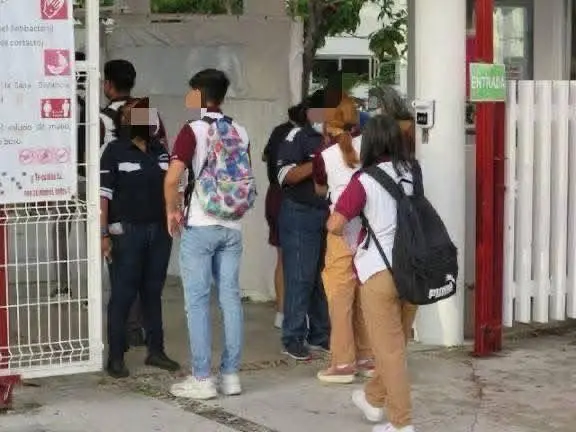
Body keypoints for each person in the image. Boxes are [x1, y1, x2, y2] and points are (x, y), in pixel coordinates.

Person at [164, 69, 253, 400]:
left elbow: (172, 179)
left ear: (199, 95)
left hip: (200, 224)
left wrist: (172, 211)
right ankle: (230, 376)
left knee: (197, 302)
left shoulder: (193, 130)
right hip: (232, 225)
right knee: (230, 299)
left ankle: (202, 378)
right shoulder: (240, 131)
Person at [327, 115, 418, 432]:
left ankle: (402, 424)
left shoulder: (363, 181)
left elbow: (335, 224)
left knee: (389, 351)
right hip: (414, 271)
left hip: (379, 272)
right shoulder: (412, 173)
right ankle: (372, 398)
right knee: (395, 345)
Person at [100, 97, 180, 379]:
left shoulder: (160, 152)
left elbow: (173, 187)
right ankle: (115, 357)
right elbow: (103, 197)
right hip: (127, 232)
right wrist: (103, 234)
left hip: (158, 231)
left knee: (152, 292)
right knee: (123, 294)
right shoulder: (113, 151)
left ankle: (156, 351)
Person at [99, 59, 168, 348]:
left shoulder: (99, 119)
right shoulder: (150, 116)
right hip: (127, 210)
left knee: (126, 280)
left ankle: (129, 331)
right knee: (139, 282)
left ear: (108, 85)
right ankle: (132, 330)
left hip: (120, 208)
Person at [312, 94, 373, 384]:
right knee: (364, 294)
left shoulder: (323, 156)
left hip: (340, 228)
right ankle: (367, 357)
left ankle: (343, 363)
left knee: (339, 296)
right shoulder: (372, 148)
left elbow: (320, 191)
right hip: (371, 230)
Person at [276, 90, 330, 361]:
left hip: (329, 215)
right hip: (300, 214)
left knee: (322, 278)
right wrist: (319, 161)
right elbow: (285, 175)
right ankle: (293, 337)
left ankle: (321, 335)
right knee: (300, 277)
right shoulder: (297, 137)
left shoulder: (341, 138)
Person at [262, 103, 307, 329]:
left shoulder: (278, 131)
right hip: (292, 197)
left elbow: (264, 156)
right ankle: (299, 313)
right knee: (301, 260)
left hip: (274, 195)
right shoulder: (303, 136)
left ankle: (281, 311)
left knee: (282, 258)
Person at [49, 51, 87, 303]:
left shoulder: (58, 103)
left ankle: (64, 288)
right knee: (88, 233)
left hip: (68, 176)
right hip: (88, 177)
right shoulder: (97, 107)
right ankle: (85, 291)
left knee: (62, 231)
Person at [367, 85, 414, 155]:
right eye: (371, 106)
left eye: (376, 106)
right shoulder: (380, 127)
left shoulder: (406, 126)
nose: (373, 111)